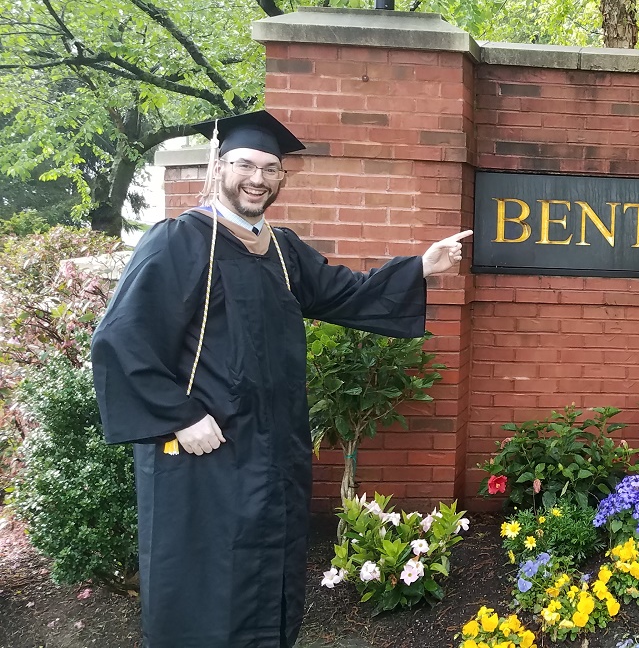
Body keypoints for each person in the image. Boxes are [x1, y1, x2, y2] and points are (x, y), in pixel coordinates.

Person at [91, 110, 472, 648]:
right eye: (246, 164)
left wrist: (420, 268)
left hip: (273, 449)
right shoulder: (179, 241)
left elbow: (345, 292)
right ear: (219, 166)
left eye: (272, 169)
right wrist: (180, 417)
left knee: (270, 575)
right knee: (208, 580)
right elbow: (120, 340)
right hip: (206, 451)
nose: (258, 179)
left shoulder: (283, 249)